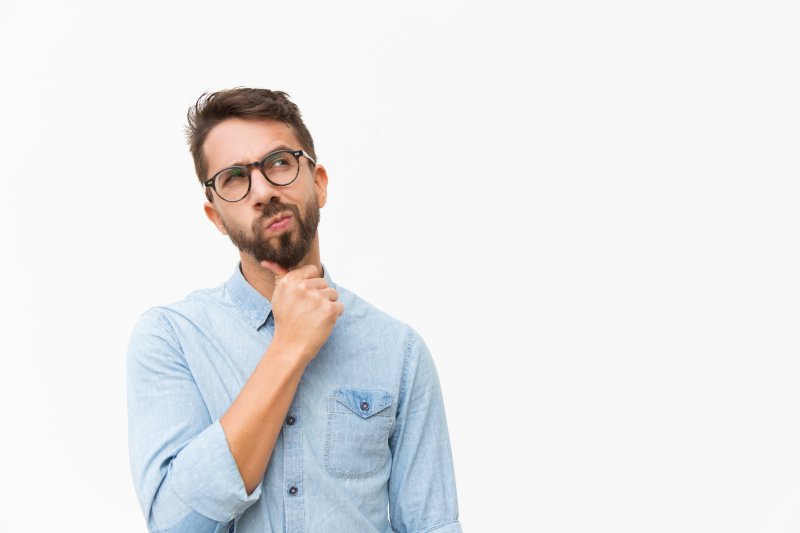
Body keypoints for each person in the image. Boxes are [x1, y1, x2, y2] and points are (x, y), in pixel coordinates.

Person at [126, 88, 461, 533]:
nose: (262, 190)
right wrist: (287, 348)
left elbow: (432, 525)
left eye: (279, 162)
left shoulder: (398, 351)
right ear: (216, 217)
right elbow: (173, 525)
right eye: (234, 178)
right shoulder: (171, 339)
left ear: (318, 183)